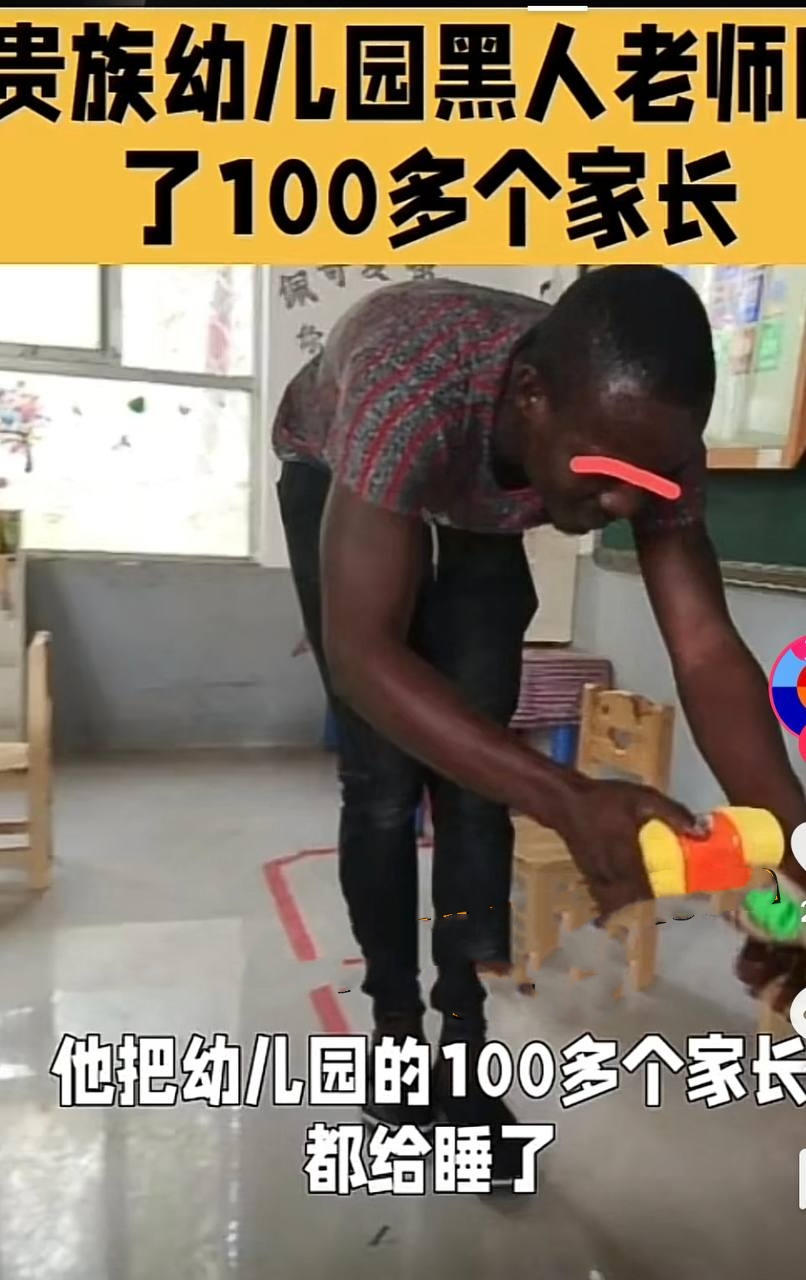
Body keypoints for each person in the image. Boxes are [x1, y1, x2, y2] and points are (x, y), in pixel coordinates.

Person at [273, 266, 806, 1181]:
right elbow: (364, 655)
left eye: (653, 479)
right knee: (385, 782)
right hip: (336, 464)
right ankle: (396, 1036)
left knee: (482, 769)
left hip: (483, 486)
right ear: (529, 397)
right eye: (607, 475)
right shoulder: (412, 389)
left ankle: (464, 1049)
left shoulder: (639, 436)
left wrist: (799, 858)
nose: (630, 506)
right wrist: (567, 796)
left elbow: (706, 651)